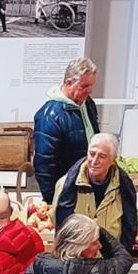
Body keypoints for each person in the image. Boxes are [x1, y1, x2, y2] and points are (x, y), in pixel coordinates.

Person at [52, 133, 138, 247]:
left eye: (102, 156)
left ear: (113, 160)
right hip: (77, 260)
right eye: (92, 154)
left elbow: (130, 227)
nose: (94, 161)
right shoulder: (65, 185)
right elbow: (59, 226)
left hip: (110, 261)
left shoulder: (124, 187)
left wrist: (121, 260)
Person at [32, 58, 99, 192]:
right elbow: (44, 165)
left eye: (92, 85)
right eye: (84, 86)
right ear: (69, 83)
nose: (90, 91)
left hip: (85, 184)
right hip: (66, 190)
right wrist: (52, 201)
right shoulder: (49, 116)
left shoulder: (87, 103)